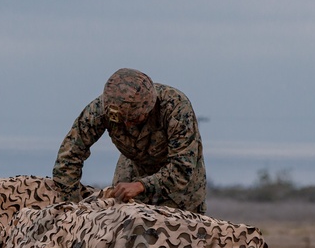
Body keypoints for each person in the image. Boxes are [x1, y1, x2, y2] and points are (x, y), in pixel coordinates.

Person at [52, 68, 207, 214]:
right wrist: (72, 209)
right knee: (119, 226)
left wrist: (141, 186)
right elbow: (68, 158)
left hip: (179, 187)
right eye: (120, 121)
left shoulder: (176, 108)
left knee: (175, 236)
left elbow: (181, 169)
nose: (127, 125)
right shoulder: (101, 110)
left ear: (149, 108)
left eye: (133, 119)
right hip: (132, 171)